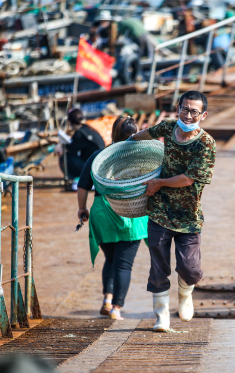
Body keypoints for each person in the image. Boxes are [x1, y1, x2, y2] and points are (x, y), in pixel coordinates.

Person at [129, 90, 216, 332]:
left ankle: (186, 293)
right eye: (185, 109)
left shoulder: (206, 143)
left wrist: (159, 183)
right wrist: (122, 146)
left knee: (190, 268)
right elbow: (141, 136)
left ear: (203, 115)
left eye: (194, 111)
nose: (188, 115)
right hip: (159, 211)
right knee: (158, 266)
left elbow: (189, 179)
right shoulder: (168, 128)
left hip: (188, 215)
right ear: (178, 108)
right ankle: (162, 316)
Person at [76, 117, 147, 320]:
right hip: (131, 214)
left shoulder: (98, 156)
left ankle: (107, 299)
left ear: (113, 134)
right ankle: (116, 308)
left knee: (110, 258)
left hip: (102, 212)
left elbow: (82, 186)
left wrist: (82, 209)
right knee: (124, 264)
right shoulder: (140, 156)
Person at [56, 109, 105, 179]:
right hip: (100, 166)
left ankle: (70, 179)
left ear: (70, 122)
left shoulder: (79, 133)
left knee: (64, 156)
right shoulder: (90, 128)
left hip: (92, 169)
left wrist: (60, 146)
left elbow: (69, 148)